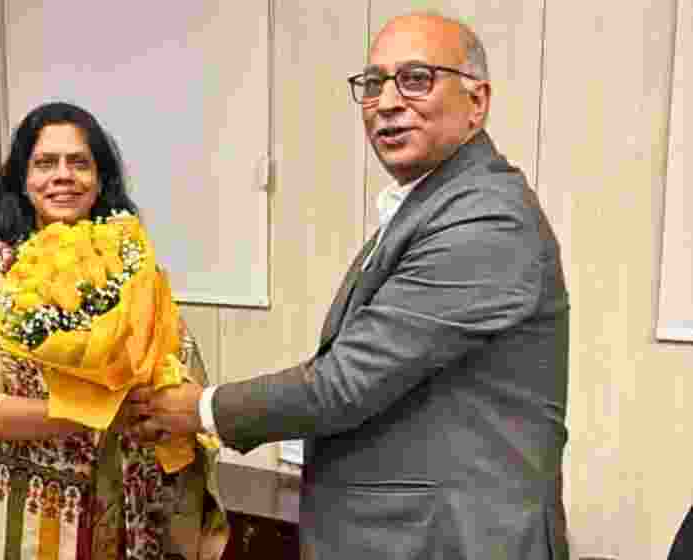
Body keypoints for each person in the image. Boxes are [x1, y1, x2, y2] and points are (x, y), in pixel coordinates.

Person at [128, 13, 570, 559]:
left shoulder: (485, 221)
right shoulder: (434, 203)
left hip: (454, 540)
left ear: (477, 101)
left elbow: (345, 383)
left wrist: (199, 409)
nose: (386, 102)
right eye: (373, 83)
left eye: (416, 78)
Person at [0, 101, 227, 560]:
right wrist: (98, 413)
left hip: (135, 507)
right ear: (23, 180)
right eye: (44, 163)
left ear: (101, 180)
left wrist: (167, 400)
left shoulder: (138, 265)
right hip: (33, 513)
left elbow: (179, 365)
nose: (63, 175)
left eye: (80, 162)